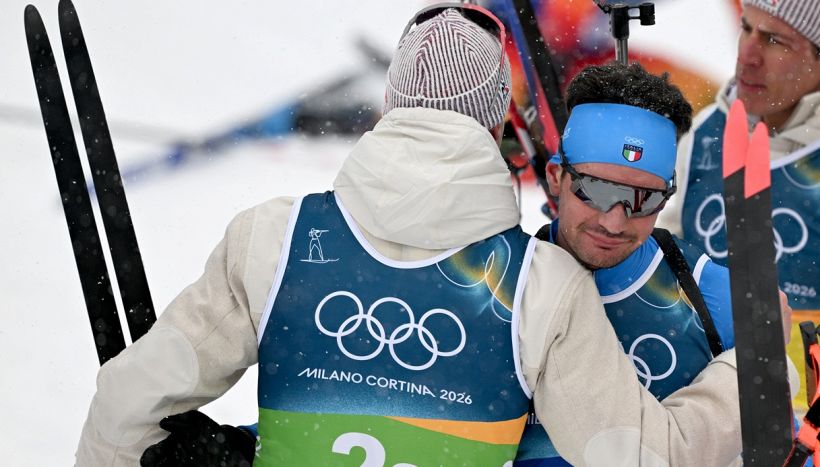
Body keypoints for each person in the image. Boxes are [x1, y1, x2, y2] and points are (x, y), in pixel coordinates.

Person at [76, 5, 744, 466]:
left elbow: (126, 400)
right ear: (496, 126)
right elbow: (636, 455)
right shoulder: (542, 285)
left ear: (392, 107)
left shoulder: (273, 238)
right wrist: (747, 372)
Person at [513, 61, 800, 466]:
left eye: (643, 199)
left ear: (667, 197)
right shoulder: (503, 283)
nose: (614, 221)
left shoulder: (717, 298)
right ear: (557, 176)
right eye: (594, 190)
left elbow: (783, 450)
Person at [657, 0, 820, 406]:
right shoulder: (703, 135)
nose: (746, 56)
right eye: (746, 29)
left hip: (805, 435)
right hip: (710, 418)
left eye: (773, 40)